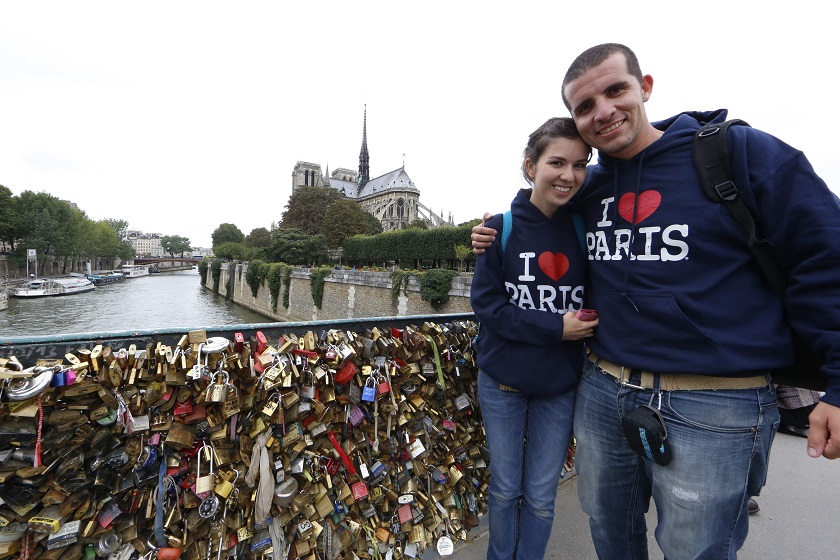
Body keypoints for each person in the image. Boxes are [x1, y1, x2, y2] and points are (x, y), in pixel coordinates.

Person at [472, 43, 840, 559]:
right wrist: (490, 229)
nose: (603, 110)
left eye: (615, 89)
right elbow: (536, 202)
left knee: (696, 550)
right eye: (584, 106)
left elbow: (825, 256)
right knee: (611, 537)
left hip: (715, 401)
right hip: (603, 391)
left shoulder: (737, 154)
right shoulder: (591, 187)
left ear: (644, 87)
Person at [471, 117, 598, 560]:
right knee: (506, 489)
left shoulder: (586, 231)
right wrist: (555, 328)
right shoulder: (500, 229)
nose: (568, 175)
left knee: (542, 495)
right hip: (503, 383)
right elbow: (488, 309)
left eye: (580, 164)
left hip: (558, 387)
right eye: (557, 162)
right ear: (530, 166)